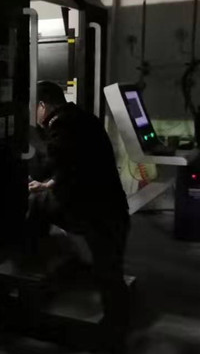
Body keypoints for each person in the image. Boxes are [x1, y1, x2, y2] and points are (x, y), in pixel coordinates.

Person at [27, 81, 130, 332]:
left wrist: (30, 143)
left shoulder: (61, 126)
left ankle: (31, 268)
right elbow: (76, 165)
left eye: (33, 109)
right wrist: (49, 185)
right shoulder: (84, 119)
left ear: (42, 105)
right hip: (113, 210)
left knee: (36, 205)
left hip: (93, 214)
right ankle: (118, 322)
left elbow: (48, 163)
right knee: (110, 271)